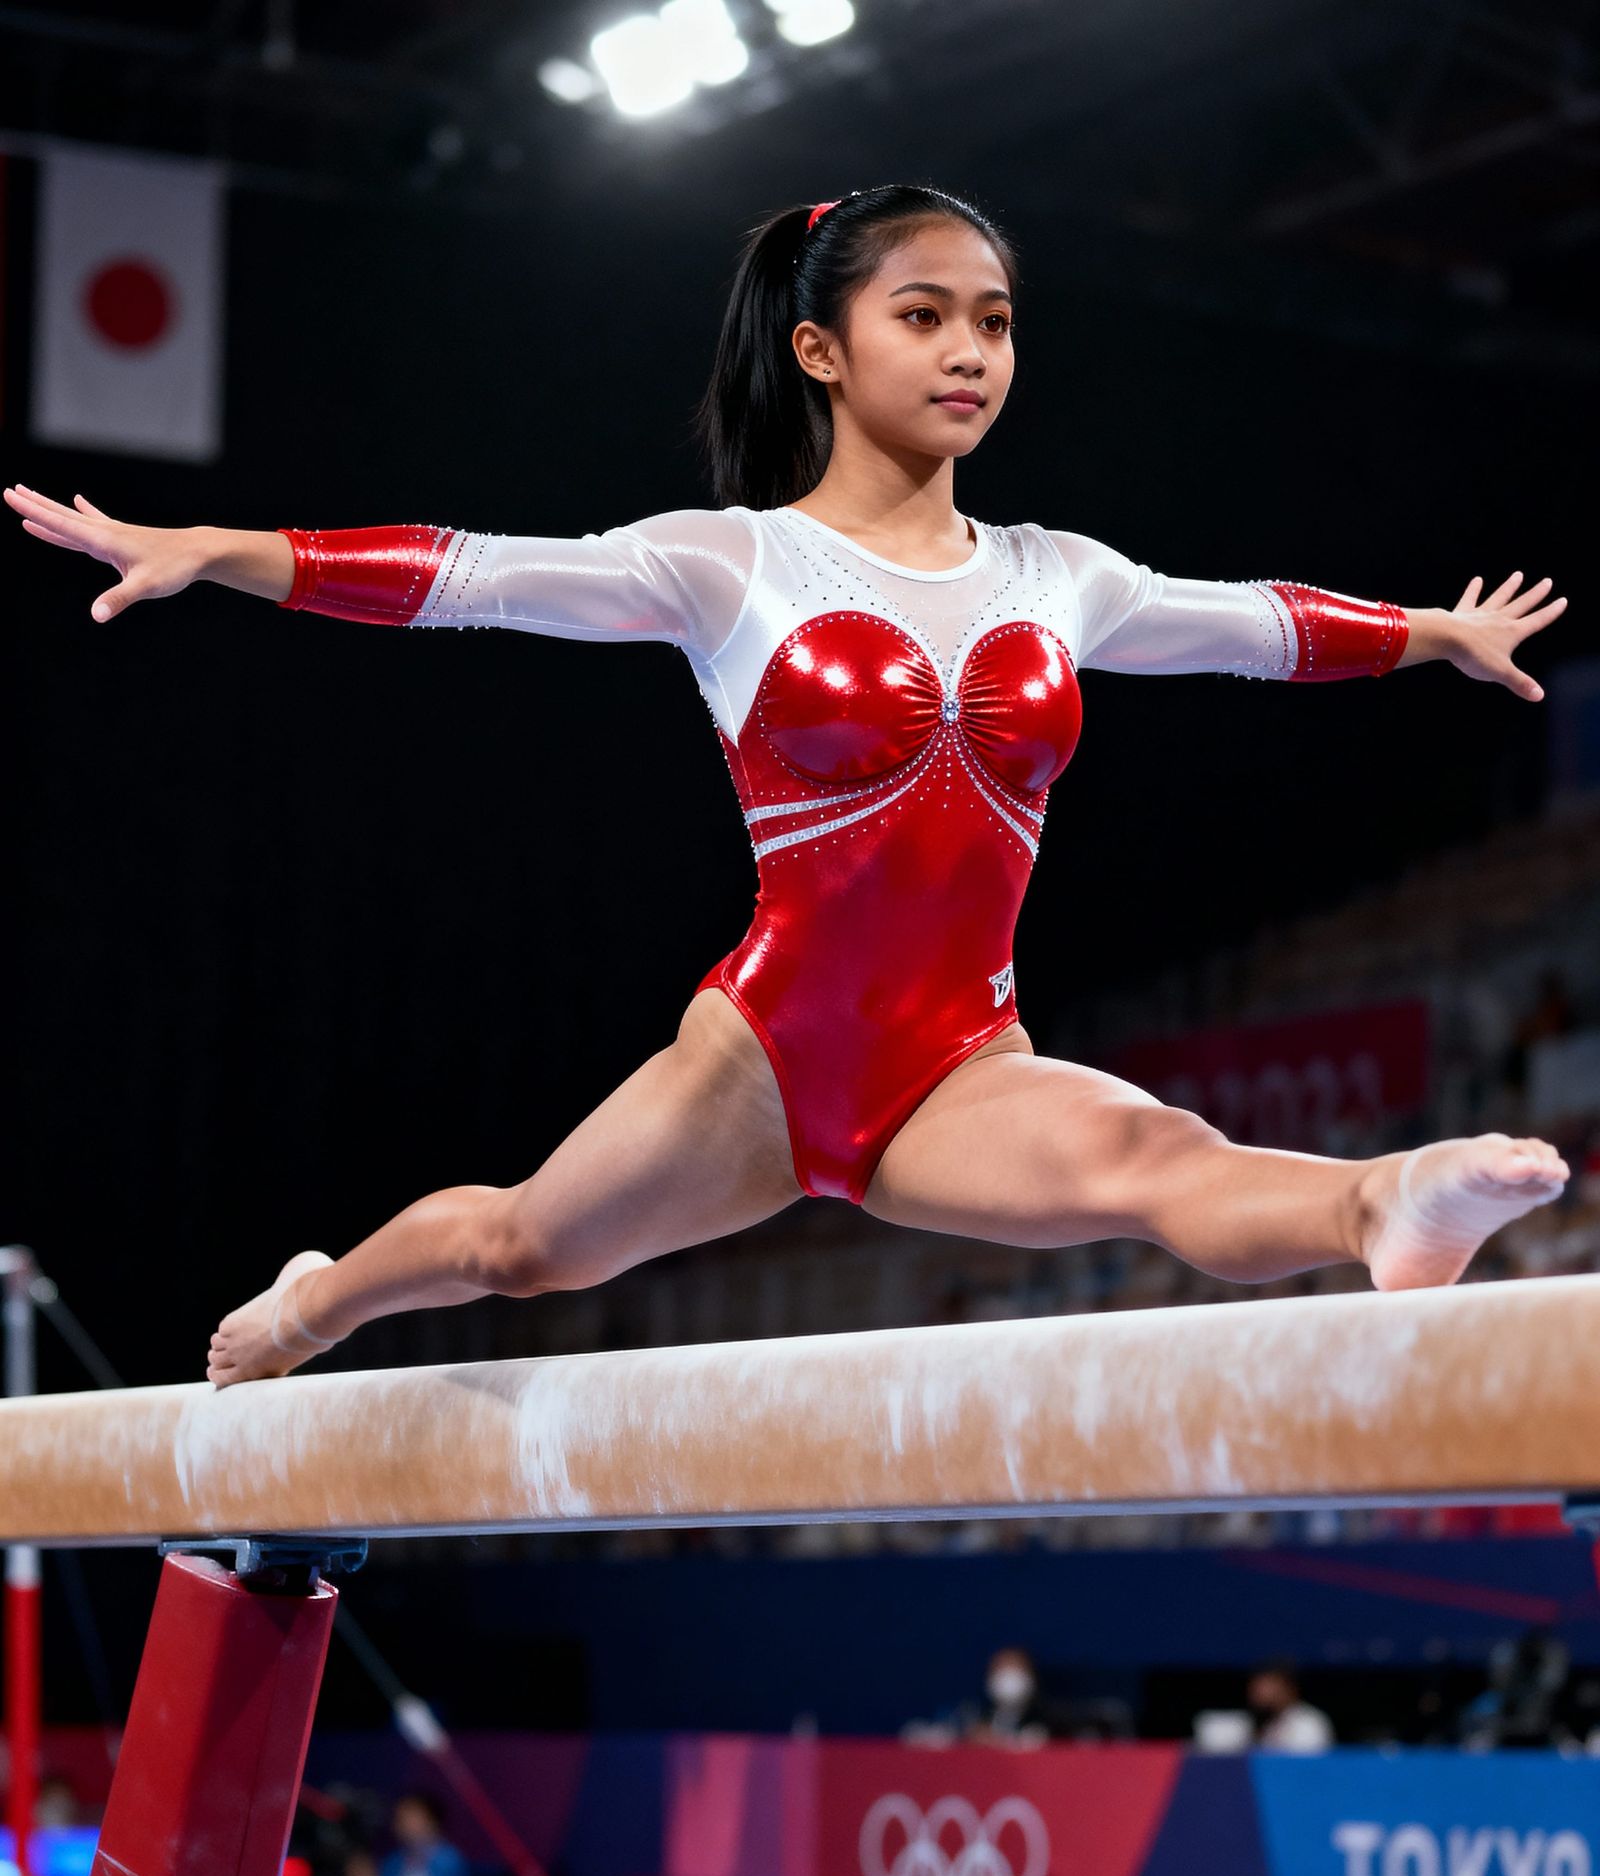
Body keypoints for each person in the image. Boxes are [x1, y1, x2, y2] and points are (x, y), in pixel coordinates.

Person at [2, 183, 1571, 1388]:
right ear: (821, 347)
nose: (970, 351)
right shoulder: (731, 564)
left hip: (959, 1063)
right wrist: (228, 555)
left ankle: (1383, 1203)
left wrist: (1437, 632)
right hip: (759, 1058)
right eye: (927, 315)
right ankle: (322, 1291)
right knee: (511, 1246)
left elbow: (1262, 628)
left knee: (1157, 1160)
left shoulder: (1057, 577)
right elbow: (471, 577)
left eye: (999, 321)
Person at [1247, 1661, 1335, 1753]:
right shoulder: (1244, 1722)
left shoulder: (1311, 1722)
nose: (1259, 1692)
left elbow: (1309, 1762)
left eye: (1267, 1686)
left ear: (1289, 1688)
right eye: (1256, 1686)